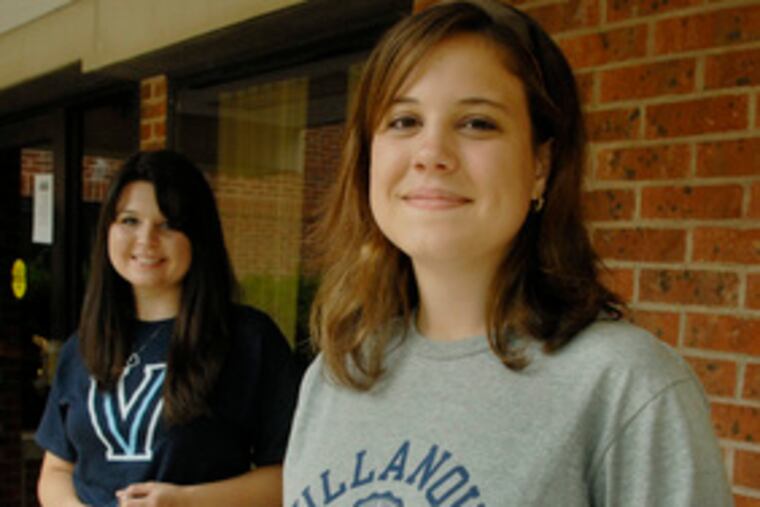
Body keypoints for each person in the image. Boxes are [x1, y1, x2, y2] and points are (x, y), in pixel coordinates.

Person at [283, 1, 733, 505]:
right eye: (404, 120)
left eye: (477, 123)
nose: (431, 153)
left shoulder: (625, 386)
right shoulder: (338, 374)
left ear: (540, 165)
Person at [36, 150, 301, 507]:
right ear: (108, 231)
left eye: (168, 224)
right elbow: (56, 470)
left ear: (198, 237)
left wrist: (186, 501)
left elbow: (292, 476)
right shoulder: (82, 346)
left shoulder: (248, 339)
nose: (146, 240)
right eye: (130, 221)